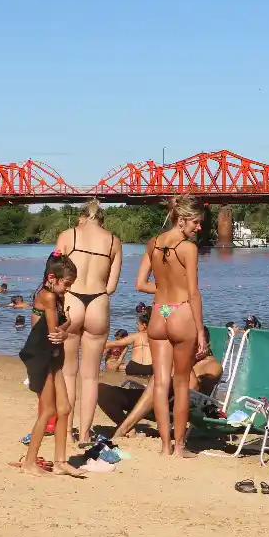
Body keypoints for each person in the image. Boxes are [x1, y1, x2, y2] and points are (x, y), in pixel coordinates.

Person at [136, 194, 206, 457]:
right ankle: (179, 447)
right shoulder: (188, 248)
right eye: (196, 222)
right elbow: (194, 293)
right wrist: (200, 331)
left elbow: (140, 284)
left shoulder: (153, 243)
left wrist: (164, 288)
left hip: (159, 312)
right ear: (182, 219)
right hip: (180, 311)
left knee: (160, 383)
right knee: (181, 384)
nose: (198, 227)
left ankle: (164, 446)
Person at [55, 198, 124, 445]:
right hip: (98, 302)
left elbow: (53, 275)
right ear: (102, 220)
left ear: (81, 217)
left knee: (68, 373)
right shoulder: (114, 241)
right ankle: (85, 434)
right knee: (91, 377)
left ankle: (66, 432)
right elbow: (112, 286)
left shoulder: (68, 235)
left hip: (72, 300)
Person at [101, 327, 224, 439]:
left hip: (175, 407)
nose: (185, 348)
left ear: (206, 345)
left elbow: (193, 389)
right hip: (153, 397)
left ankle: (123, 429)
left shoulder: (213, 366)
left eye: (191, 344)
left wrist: (184, 360)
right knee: (101, 391)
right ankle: (129, 429)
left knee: (159, 380)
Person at [18, 256, 78, 476]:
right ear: (52, 278)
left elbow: (62, 325)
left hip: (51, 356)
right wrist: (66, 330)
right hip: (40, 356)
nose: (68, 289)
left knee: (65, 408)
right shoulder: (49, 296)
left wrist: (66, 329)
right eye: (67, 284)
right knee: (49, 410)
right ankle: (29, 462)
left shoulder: (56, 295)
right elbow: (54, 333)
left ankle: (60, 462)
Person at [105, 313, 152, 378]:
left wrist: (101, 345)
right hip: (149, 368)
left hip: (134, 366)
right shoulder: (154, 337)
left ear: (144, 325)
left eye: (138, 324)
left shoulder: (135, 336)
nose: (137, 326)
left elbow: (116, 343)